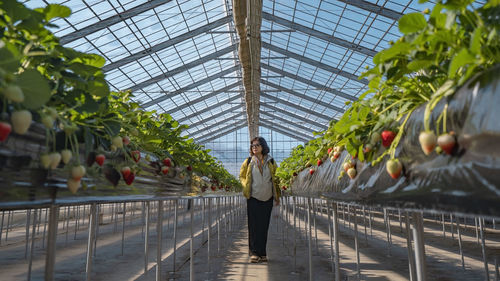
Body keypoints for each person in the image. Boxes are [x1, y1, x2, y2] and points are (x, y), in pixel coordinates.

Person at [239, 136, 281, 263]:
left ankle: (262, 253)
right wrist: (246, 185)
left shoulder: (271, 162)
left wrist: (277, 196)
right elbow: (241, 176)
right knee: (253, 226)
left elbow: (276, 179)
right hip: (253, 197)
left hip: (267, 197)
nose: (254, 147)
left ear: (263, 146)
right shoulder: (248, 161)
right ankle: (254, 253)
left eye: (257, 145)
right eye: (252, 146)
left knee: (264, 226)